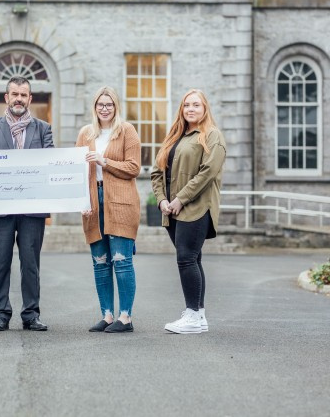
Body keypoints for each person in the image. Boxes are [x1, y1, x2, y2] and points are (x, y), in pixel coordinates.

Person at [0, 76, 54, 332]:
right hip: (0, 210)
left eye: (24, 94)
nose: (19, 99)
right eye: (15, 94)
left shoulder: (43, 129)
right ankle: (0, 313)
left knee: (30, 264)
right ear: (6, 97)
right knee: (0, 263)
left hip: (32, 210)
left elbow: (49, 164)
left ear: (30, 98)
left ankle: (31, 314)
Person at [150, 89, 226, 335]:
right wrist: (162, 200)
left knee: (186, 258)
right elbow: (156, 171)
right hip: (171, 209)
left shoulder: (212, 136)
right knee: (193, 258)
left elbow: (208, 173)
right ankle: (198, 315)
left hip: (196, 207)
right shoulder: (175, 136)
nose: (191, 109)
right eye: (186, 105)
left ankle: (192, 316)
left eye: (196, 105)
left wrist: (181, 199)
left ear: (205, 109)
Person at [76, 86, 141, 333]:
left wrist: (105, 161)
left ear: (116, 107)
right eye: (100, 105)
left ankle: (125, 317)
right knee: (100, 261)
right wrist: (81, 201)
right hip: (94, 201)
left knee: (121, 260)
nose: (104, 109)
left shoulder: (127, 131)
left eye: (109, 105)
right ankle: (107, 315)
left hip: (121, 201)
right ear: (95, 107)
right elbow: (77, 172)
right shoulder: (86, 134)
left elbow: (134, 167)